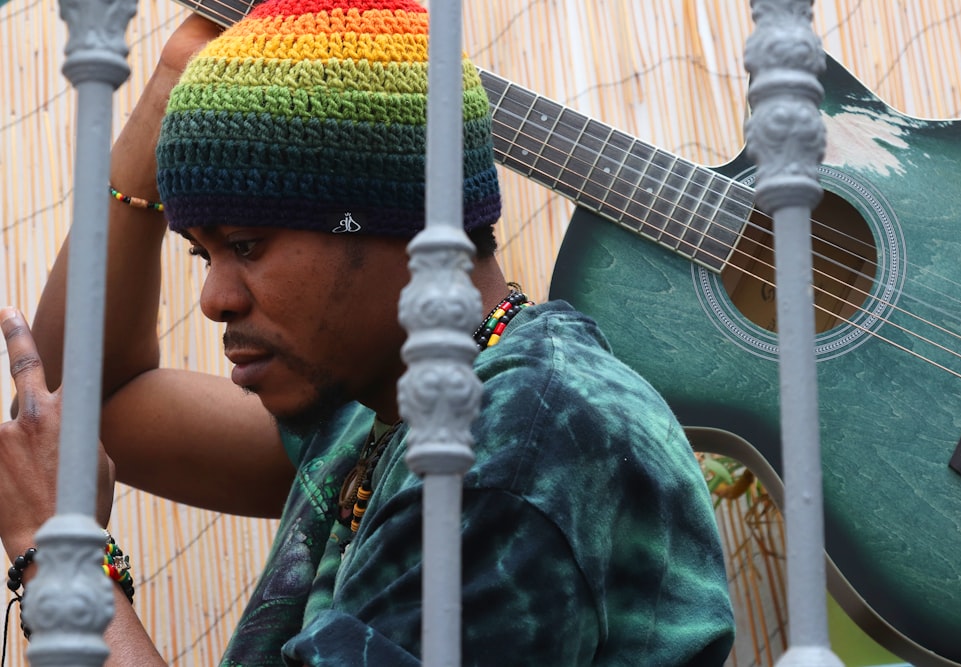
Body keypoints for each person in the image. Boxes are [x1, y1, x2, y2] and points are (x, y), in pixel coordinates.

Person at [0, 0, 735, 664]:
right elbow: (81, 409)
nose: (214, 298)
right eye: (203, 252)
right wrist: (165, 90)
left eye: (247, 245)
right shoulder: (382, 411)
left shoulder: (518, 450)